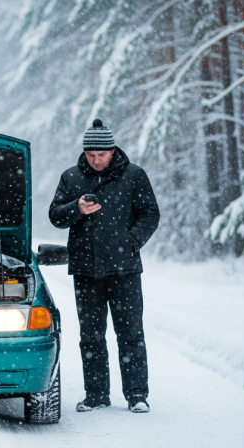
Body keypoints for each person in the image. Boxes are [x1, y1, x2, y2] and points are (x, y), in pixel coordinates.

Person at [48, 119, 160, 413]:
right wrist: (76, 208)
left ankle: (136, 395)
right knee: (91, 336)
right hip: (86, 272)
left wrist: (132, 241)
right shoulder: (71, 178)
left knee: (131, 334)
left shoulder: (134, 175)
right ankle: (96, 395)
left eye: (101, 154)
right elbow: (55, 216)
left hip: (125, 270)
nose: (96, 160)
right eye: (90, 155)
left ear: (112, 150)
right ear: (84, 152)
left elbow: (150, 213)